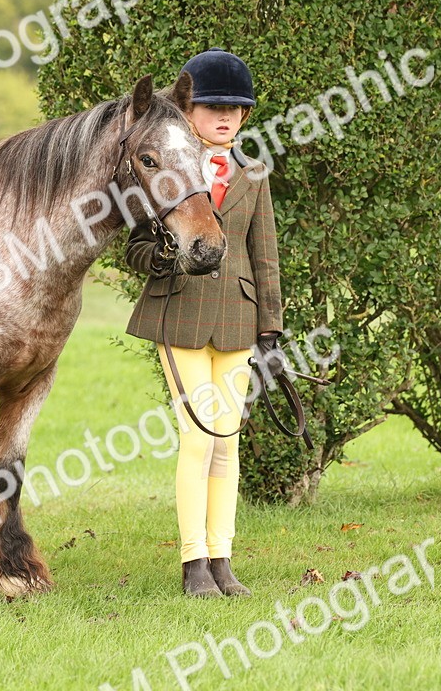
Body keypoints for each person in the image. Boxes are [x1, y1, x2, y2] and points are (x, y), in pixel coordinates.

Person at [125, 48, 285, 598]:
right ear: (188, 111)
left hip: (238, 319)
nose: (225, 118)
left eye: (236, 110)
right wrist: (168, 255)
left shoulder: (255, 174)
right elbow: (137, 250)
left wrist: (272, 330)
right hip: (181, 314)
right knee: (198, 435)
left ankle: (223, 558)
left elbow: (265, 256)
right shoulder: (168, 166)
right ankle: (193, 562)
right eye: (214, 107)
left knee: (228, 442)